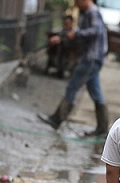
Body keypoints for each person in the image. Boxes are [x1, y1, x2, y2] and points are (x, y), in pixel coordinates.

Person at [38, 0, 108, 137]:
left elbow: (95, 31)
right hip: (91, 59)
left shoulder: (92, 12)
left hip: (90, 59)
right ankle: (102, 128)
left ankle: (57, 119)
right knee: (96, 92)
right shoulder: (85, 13)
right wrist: (63, 37)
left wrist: (75, 34)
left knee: (72, 86)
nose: (75, 3)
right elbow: (80, 35)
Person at [46, 14, 77, 79]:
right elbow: (57, 32)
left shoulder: (75, 31)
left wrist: (61, 40)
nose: (65, 25)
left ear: (71, 23)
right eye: (64, 23)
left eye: (67, 23)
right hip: (61, 47)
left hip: (70, 50)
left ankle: (60, 70)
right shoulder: (63, 30)